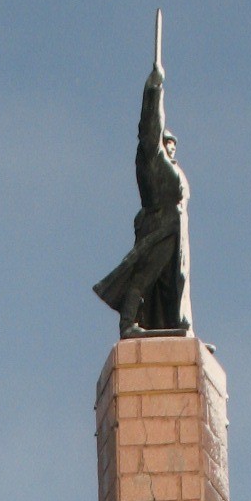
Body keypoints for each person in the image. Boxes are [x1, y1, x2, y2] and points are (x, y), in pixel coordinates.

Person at [93, 58, 192, 337]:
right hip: (158, 226)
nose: (170, 148)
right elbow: (150, 129)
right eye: (167, 143)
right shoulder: (152, 159)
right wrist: (155, 89)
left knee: (171, 285)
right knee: (145, 274)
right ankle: (127, 324)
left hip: (174, 229)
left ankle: (174, 328)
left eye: (173, 145)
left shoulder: (173, 170)